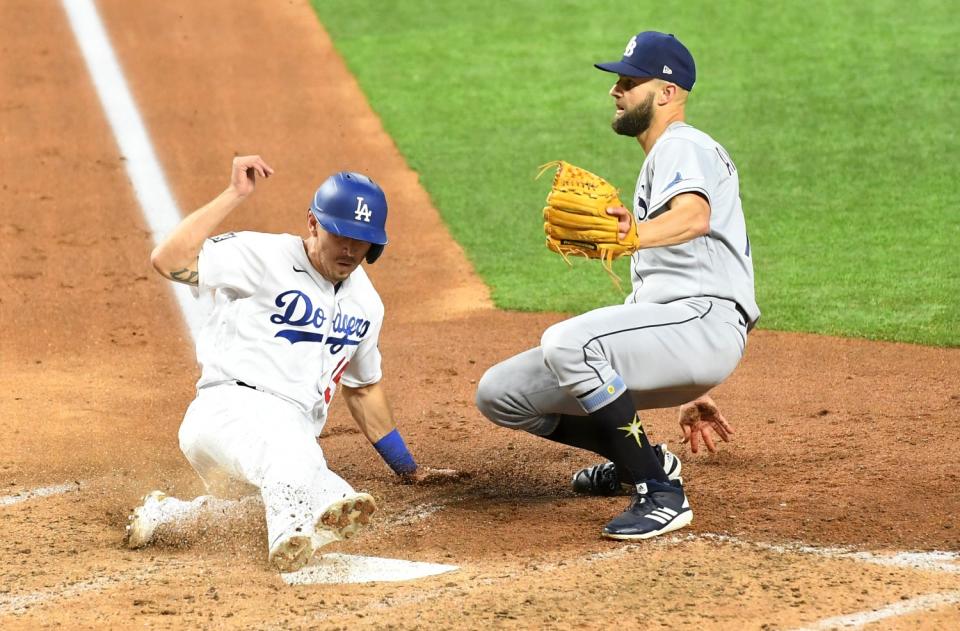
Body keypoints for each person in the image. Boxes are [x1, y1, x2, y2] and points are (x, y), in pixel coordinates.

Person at [476, 31, 759, 540]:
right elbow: (669, 282)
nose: (617, 90)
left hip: (704, 324)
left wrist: (633, 235)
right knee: (501, 393)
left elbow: (694, 218)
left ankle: (661, 493)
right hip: (681, 332)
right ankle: (641, 459)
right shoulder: (662, 158)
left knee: (569, 342)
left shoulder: (682, 144)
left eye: (631, 81)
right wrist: (689, 388)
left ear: (668, 93)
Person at [127, 155, 457, 571]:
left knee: (314, 491)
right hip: (228, 411)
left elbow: (364, 388)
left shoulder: (367, 304)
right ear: (313, 224)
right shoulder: (263, 256)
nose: (351, 248)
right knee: (304, 472)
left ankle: (169, 517)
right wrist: (234, 194)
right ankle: (288, 535)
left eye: (362, 239)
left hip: (285, 440)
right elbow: (168, 260)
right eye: (340, 234)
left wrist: (408, 468)